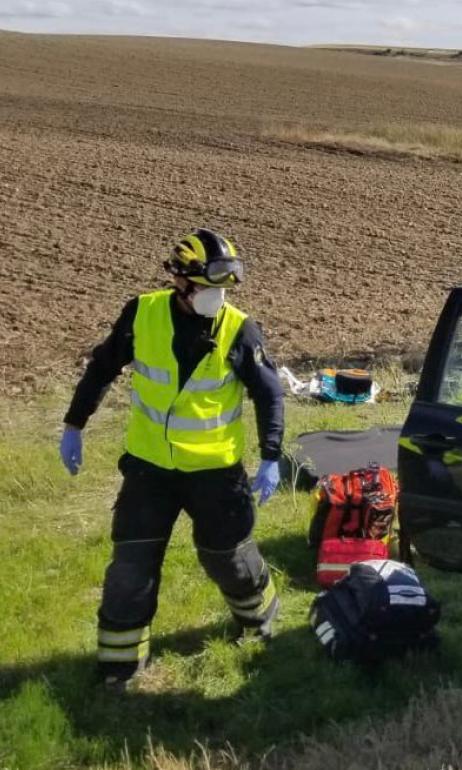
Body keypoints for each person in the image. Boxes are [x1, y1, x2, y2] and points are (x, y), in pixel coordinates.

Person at [58, 228, 284, 690]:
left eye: (223, 289)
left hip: (216, 475)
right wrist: (74, 425)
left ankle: (260, 622)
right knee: (130, 572)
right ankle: (119, 670)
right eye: (207, 287)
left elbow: (270, 394)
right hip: (149, 472)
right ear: (179, 281)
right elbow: (102, 368)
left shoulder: (239, 329)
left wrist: (271, 456)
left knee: (230, 560)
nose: (216, 297)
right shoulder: (142, 314)